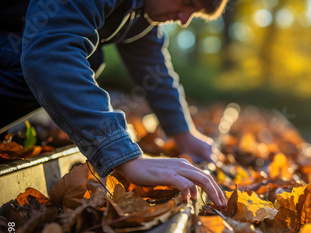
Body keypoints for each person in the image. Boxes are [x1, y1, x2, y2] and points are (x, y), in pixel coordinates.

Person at [0, 0, 229, 207]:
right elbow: (51, 50)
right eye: (187, 3)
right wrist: (126, 156)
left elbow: (153, 68)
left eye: (194, 13)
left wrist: (183, 133)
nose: (184, 19)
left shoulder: (142, 13)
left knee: (93, 58)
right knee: (60, 58)